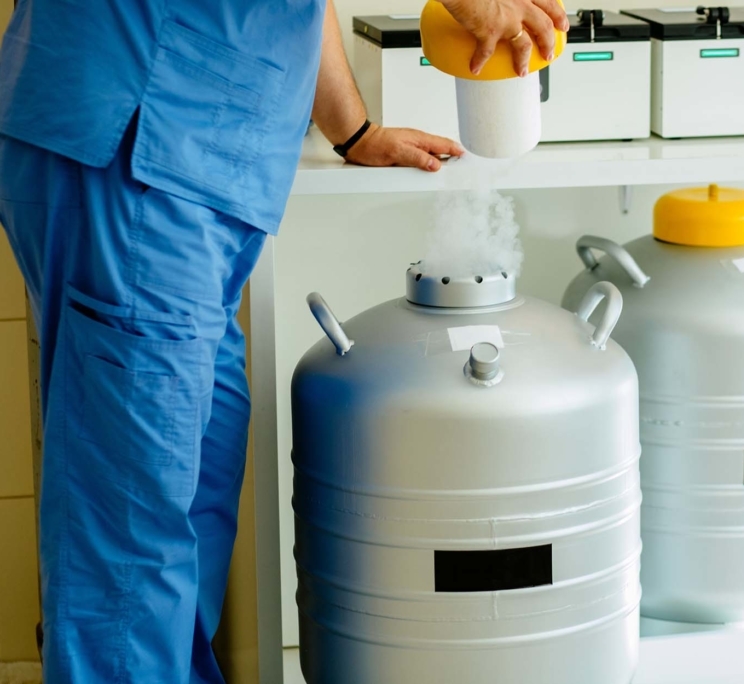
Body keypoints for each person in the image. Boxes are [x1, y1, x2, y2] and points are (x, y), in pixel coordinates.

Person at [0, 0, 567, 681]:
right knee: (133, 524)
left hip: (195, 166)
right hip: (141, 140)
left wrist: (351, 130)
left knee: (193, 492)